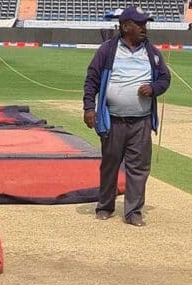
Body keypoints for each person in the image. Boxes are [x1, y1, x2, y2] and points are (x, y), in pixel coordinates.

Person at [82, 6, 171, 227]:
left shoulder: (152, 53)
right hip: (112, 119)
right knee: (110, 164)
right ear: (125, 27)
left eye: (145, 24)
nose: (143, 28)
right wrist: (89, 108)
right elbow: (92, 79)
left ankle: (133, 211)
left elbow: (164, 79)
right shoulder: (107, 50)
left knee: (139, 167)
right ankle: (105, 206)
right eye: (139, 24)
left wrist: (153, 88)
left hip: (140, 121)